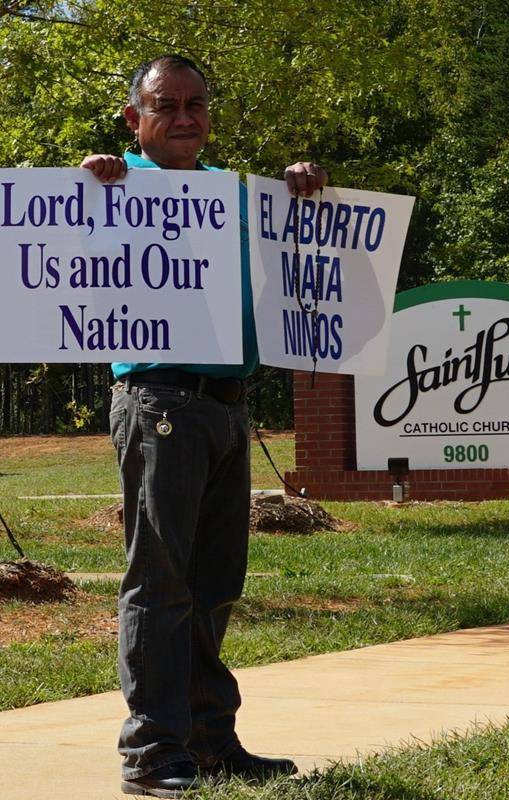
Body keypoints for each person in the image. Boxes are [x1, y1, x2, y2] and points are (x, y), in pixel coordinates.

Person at [81, 54, 327, 797]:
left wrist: (299, 192)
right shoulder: (112, 186)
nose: (184, 118)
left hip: (226, 405)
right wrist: (87, 186)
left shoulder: (233, 194)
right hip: (159, 401)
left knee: (215, 581)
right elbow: (72, 253)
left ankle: (209, 740)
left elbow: (288, 259)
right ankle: (153, 752)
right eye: (167, 106)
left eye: (196, 104)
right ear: (135, 119)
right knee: (160, 579)